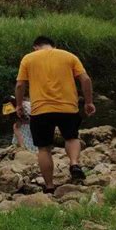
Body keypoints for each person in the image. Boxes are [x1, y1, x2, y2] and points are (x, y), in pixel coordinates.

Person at [15, 36, 95, 193]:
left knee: (44, 149)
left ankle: (50, 187)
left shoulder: (28, 59)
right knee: (71, 137)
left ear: (35, 47)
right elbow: (85, 79)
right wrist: (88, 102)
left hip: (40, 110)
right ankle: (74, 163)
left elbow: (20, 84)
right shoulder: (69, 56)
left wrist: (18, 105)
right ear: (54, 45)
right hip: (68, 108)